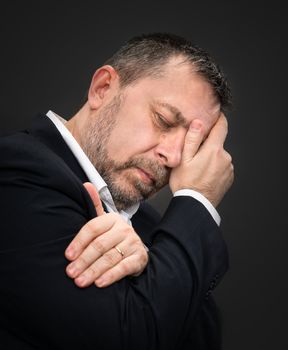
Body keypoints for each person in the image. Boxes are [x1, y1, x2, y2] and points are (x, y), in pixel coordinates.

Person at [0, 33, 234, 349]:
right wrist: (199, 199)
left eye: (194, 145)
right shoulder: (14, 173)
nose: (175, 157)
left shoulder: (152, 231)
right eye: (164, 120)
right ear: (103, 89)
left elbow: (204, 340)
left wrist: (150, 265)